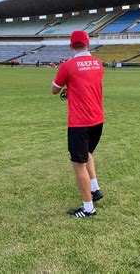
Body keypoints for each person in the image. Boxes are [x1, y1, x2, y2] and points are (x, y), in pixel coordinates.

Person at [51, 31, 105, 218]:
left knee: (78, 163)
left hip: (80, 122)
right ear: (88, 44)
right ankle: (95, 189)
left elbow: (54, 90)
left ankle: (88, 207)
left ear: (71, 46)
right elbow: (86, 85)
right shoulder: (98, 64)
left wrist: (67, 88)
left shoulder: (68, 65)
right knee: (87, 153)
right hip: (98, 118)